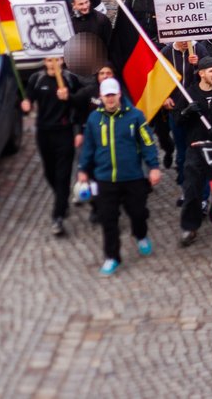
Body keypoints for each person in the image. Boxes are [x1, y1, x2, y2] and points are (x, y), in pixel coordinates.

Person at [77, 78, 162, 276]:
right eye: (106, 96)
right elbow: (88, 146)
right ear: (101, 97)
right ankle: (112, 256)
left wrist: (153, 167)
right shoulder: (94, 119)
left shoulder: (135, 116)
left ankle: (140, 234)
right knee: (108, 219)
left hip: (132, 177)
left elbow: (147, 142)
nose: (110, 99)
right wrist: (83, 168)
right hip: (105, 179)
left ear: (119, 95)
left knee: (138, 213)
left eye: (112, 95)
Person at [23, 57, 93, 236]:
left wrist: (79, 129)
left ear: (62, 60)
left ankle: (58, 216)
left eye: (56, 60)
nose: (52, 64)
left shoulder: (70, 79)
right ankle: (62, 198)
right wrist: (26, 103)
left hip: (64, 132)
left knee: (63, 176)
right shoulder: (37, 79)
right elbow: (29, 98)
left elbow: (80, 105)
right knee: (49, 172)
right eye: (49, 60)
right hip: (44, 132)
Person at [177, 57, 212, 245]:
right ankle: (190, 226)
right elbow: (177, 121)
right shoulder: (190, 94)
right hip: (196, 148)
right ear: (201, 73)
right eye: (211, 71)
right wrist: (186, 112)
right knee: (192, 187)